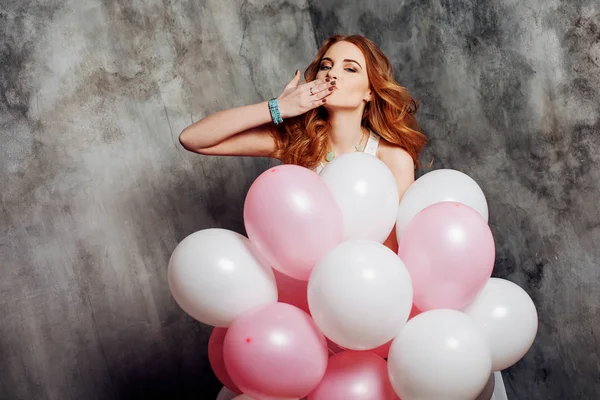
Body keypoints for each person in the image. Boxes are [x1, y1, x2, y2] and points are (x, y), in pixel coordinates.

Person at [179, 35, 428, 252]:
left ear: (369, 92)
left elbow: (395, 253)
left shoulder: (393, 160)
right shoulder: (297, 144)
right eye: (325, 66)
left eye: (350, 69)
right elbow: (193, 139)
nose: (332, 74)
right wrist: (279, 107)